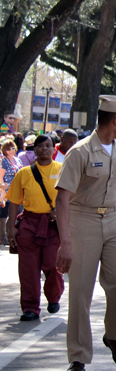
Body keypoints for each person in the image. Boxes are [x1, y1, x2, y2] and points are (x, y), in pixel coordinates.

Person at [55, 95, 116, 371]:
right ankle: (79, 356)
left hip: (115, 219)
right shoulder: (80, 152)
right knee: (80, 290)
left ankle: (115, 337)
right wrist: (65, 241)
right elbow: (63, 198)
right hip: (84, 219)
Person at [5, 135, 64, 321]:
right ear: (34, 149)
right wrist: (11, 226)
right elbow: (14, 201)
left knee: (52, 264)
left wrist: (61, 213)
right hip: (29, 224)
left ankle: (54, 296)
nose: (44, 149)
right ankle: (30, 307)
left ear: (53, 149)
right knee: (28, 268)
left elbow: (71, 197)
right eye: (40, 146)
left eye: (48, 146)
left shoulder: (61, 170)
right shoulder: (24, 173)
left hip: (54, 226)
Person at [0, 138, 24, 246]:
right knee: (5, 214)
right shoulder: (4, 161)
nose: (10, 150)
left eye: (12, 148)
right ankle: (3, 236)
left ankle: (13, 235)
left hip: (17, 189)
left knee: (16, 213)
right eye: (8, 149)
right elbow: (1, 176)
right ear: (4, 150)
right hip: (7, 189)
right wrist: (2, 190)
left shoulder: (18, 159)